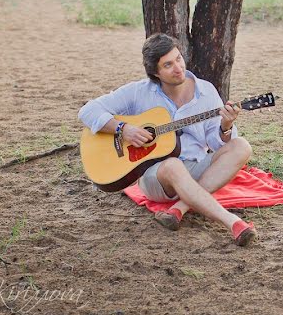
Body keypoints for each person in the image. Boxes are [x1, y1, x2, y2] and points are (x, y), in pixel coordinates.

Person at [78, 33, 257, 246]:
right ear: (155, 72)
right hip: (157, 178)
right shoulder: (138, 92)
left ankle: (180, 207)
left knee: (241, 146)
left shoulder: (206, 91)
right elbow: (88, 111)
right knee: (172, 165)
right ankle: (233, 222)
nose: (178, 68)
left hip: (196, 168)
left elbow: (217, 144)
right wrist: (123, 129)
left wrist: (225, 126)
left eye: (179, 59)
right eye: (168, 65)